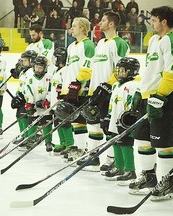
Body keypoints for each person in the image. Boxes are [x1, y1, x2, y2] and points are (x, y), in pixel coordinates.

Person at [128, 6, 173, 201]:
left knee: (163, 143)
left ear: (164, 21)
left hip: (165, 98)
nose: (151, 24)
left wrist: (159, 97)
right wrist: (141, 92)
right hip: (149, 96)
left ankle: (168, 183)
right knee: (144, 139)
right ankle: (149, 177)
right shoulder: (154, 40)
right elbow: (151, 70)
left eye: (154, 20)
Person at [83, 11, 130, 172]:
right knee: (93, 125)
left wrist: (108, 86)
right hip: (96, 93)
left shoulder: (119, 43)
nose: (99, 23)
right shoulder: (100, 42)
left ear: (111, 24)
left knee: (108, 127)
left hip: (110, 93)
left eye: (103, 20)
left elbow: (122, 69)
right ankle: (93, 157)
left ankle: (111, 159)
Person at [60, 17, 95, 162]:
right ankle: (78, 147)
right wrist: (64, 87)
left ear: (82, 28)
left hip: (80, 89)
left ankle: (82, 149)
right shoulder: (71, 46)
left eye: (74, 26)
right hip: (70, 88)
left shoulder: (88, 45)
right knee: (74, 121)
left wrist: (77, 83)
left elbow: (88, 68)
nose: (71, 28)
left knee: (80, 120)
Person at [103, 57, 140, 185]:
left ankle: (130, 170)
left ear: (132, 72)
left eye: (123, 71)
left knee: (125, 144)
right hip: (114, 120)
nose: (119, 73)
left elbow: (135, 104)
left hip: (125, 122)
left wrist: (132, 118)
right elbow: (112, 103)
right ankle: (119, 167)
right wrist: (108, 117)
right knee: (115, 142)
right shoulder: (116, 85)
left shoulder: (134, 85)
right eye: (118, 70)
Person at [23, 55, 53, 152]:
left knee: (47, 123)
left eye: (40, 67)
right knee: (32, 122)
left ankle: (48, 141)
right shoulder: (30, 78)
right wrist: (30, 103)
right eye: (36, 67)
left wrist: (47, 101)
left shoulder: (49, 78)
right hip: (35, 105)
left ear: (45, 68)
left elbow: (50, 90)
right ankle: (31, 139)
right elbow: (28, 91)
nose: (38, 69)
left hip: (45, 106)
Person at [10, 50, 37, 148]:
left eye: (25, 60)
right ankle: (24, 135)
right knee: (19, 116)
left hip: (28, 98)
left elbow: (29, 86)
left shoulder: (31, 72)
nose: (23, 62)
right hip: (22, 96)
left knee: (27, 118)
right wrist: (17, 95)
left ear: (32, 61)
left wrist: (23, 96)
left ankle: (30, 137)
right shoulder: (23, 72)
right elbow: (21, 85)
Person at [51, 47, 75, 155]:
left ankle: (69, 144)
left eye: (56, 58)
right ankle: (63, 142)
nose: (54, 60)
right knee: (57, 123)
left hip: (62, 101)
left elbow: (66, 84)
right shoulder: (57, 70)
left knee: (65, 123)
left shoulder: (66, 70)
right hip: (55, 101)